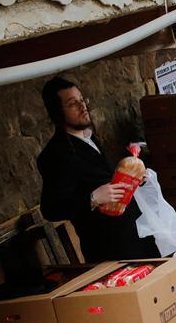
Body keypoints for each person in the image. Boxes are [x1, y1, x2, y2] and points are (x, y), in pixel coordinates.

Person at [37, 77, 160, 262]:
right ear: (57, 112)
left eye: (81, 100)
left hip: (136, 234)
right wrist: (93, 198)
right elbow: (52, 208)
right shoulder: (55, 154)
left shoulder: (90, 138)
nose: (82, 106)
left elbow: (104, 179)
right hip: (109, 249)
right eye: (72, 103)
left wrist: (132, 179)